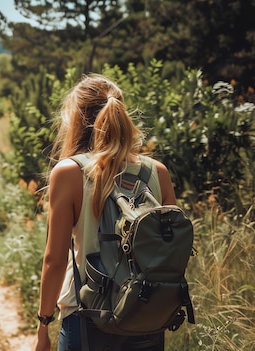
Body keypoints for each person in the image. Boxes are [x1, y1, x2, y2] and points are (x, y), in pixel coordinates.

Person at [33, 74, 177, 351]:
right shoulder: (157, 172)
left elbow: (54, 259)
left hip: (86, 316)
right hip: (146, 314)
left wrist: (43, 325)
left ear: (77, 119)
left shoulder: (69, 172)